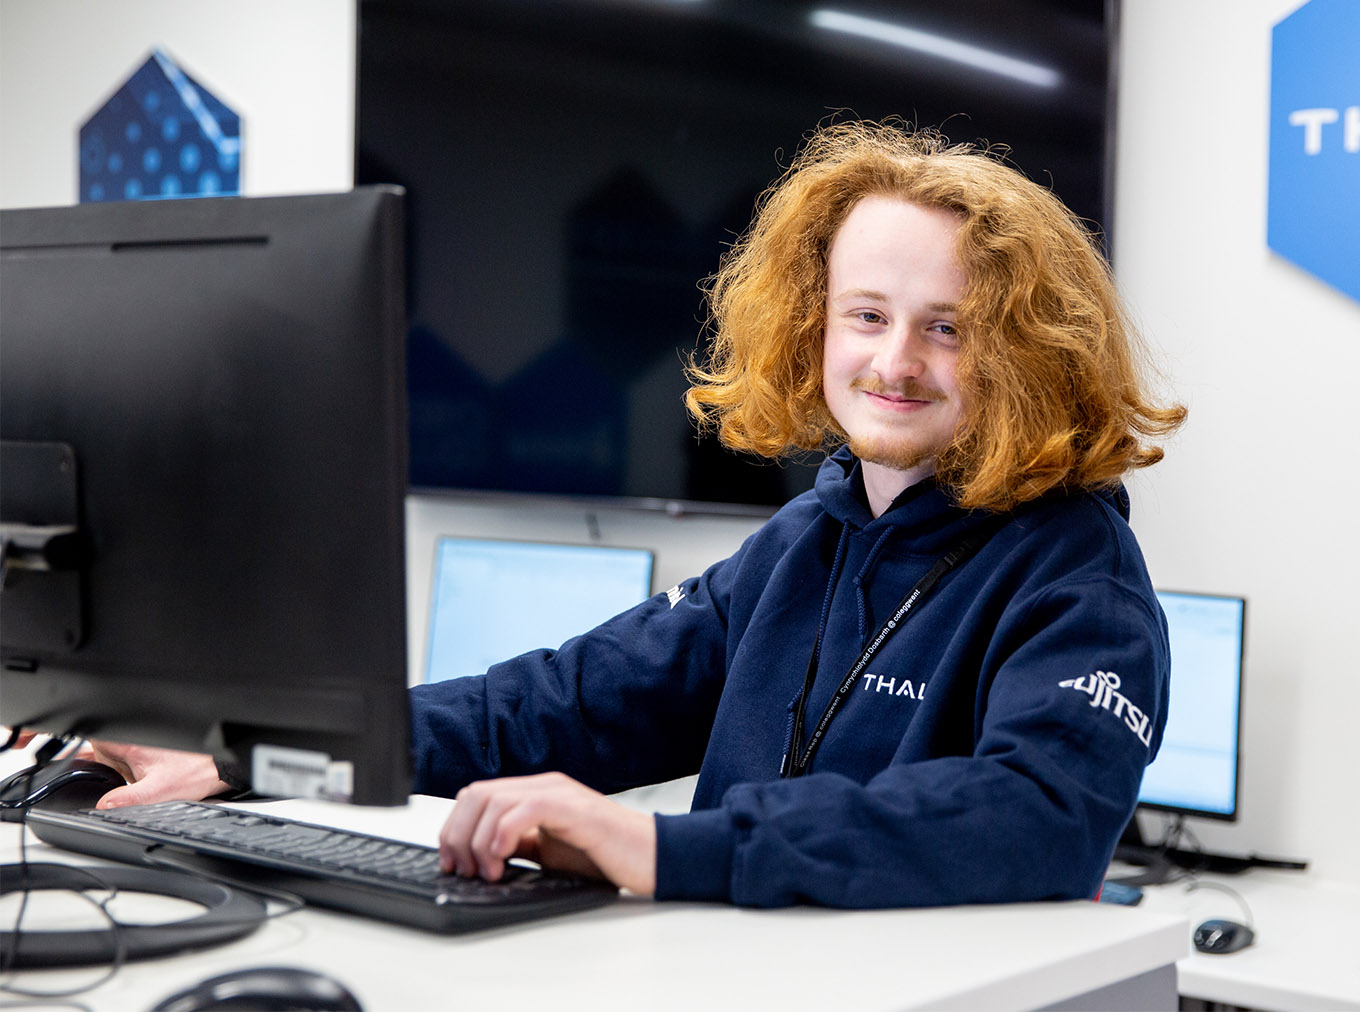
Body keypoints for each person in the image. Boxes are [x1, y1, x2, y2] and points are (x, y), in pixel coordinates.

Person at [64, 120, 1186, 908]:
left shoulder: (1076, 571)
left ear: (1024, 351)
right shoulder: (805, 540)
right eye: (867, 314)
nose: (896, 359)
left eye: (947, 326)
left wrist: (657, 845)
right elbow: (559, 706)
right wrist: (256, 753)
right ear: (812, 326)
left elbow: (1033, 815)